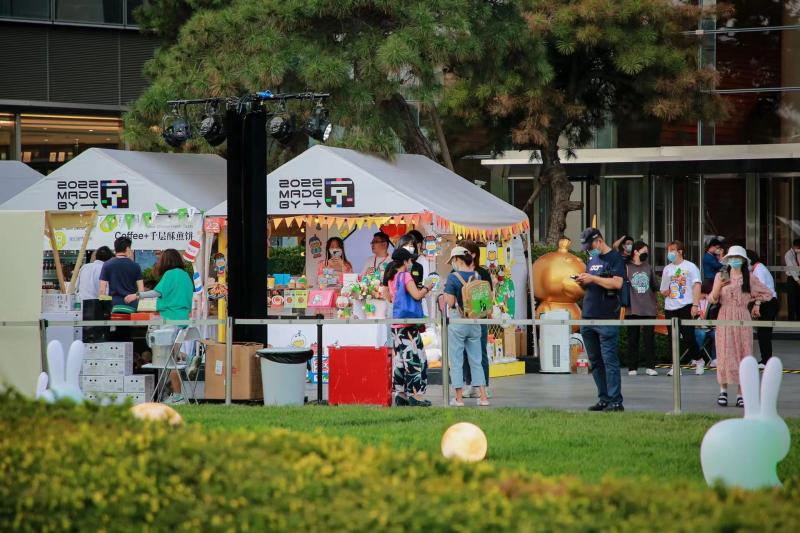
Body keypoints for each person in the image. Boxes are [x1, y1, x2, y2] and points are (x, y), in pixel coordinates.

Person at [125, 249, 194, 404]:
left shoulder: (170, 274)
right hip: (183, 320)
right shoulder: (185, 276)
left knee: (168, 360)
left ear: (166, 260)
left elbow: (156, 292)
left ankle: (178, 395)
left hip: (170, 321)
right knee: (173, 355)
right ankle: (188, 359)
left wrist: (137, 295)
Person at [708, 246, 773, 408]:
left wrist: (756, 303)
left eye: (738, 257)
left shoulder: (749, 277)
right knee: (724, 352)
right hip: (724, 317)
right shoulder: (721, 275)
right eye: (732, 257)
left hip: (743, 317)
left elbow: (767, 293)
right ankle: (723, 391)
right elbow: (713, 299)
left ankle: (740, 393)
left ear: (743, 260)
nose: (735, 260)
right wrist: (719, 285)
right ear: (727, 260)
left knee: (744, 353)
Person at [577, 228, 625, 412]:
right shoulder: (592, 260)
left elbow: (617, 283)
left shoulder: (615, 258)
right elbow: (593, 283)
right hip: (588, 315)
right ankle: (603, 398)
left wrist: (593, 278)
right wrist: (583, 281)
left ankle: (615, 401)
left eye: (590, 245)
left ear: (598, 240)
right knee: (595, 361)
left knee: (609, 361)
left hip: (606, 316)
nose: (589, 249)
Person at [385, 247, 434, 407]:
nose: (412, 263)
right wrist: (427, 287)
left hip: (396, 326)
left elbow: (388, 299)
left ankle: (401, 394)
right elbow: (417, 295)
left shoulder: (390, 277)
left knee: (401, 361)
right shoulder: (405, 276)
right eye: (410, 260)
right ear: (405, 261)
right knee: (416, 359)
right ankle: (415, 395)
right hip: (408, 326)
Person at [443, 246, 489, 407]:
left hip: (458, 322)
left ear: (456, 259)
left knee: (456, 360)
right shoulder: (477, 275)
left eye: (452, 260)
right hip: (474, 321)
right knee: (476, 360)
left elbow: (449, 303)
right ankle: (483, 397)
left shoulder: (452, 278)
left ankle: (459, 398)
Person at [660, 240, 704, 376]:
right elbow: (663, 290)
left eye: (673, 250)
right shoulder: (667, 269)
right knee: (672, 338)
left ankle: (699, 359)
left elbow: (697, 286)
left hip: (686, 305)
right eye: (669, 250)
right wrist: (666, 291)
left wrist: (695, 305)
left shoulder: (690, 267)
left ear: (680, 251)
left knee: (688, 336)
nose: (670, 253)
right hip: (670, 307)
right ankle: (675, 365)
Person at [459, 240, 493, 398]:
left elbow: (489, 296)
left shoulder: (482, 273)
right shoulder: (458, 273)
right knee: (465, 352)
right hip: (463, 318)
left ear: (473, 254)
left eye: (464, 252)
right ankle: (469, 383)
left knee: (480, 352)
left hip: (479, 318)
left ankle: (484, 384)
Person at [625, 241, 658, 376]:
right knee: (633, 338)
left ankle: (650, 366)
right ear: (636, 252)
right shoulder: (626, 267)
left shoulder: (648, 267)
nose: (646, 253)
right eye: (644, 251)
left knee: (649, 338)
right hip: (632, 308)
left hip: (648, 307)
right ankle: (632, 367)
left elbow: (654, 285)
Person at [747, 249, 778, 367]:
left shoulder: (759, 270)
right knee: (763, 333)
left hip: (767, 303)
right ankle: (766, 359)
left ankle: (766, 360)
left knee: (764, 333)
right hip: (767, 302)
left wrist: (757, 305)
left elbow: (761, 290)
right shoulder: (758, 269)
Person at [99, 237, 144, 309]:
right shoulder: (136, 266)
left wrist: (105, 307)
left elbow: (102, 291)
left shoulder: (107, 264)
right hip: (131, 305)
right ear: (127, 249)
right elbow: (141, 291)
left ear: (115, 248)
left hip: (113, 305)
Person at [783, 238, 800, 321]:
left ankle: (798, 318)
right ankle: (791, 319)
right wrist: (797, 280)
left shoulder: (799, 254)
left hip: (798, 278)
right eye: (798, 248)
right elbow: (792, 269)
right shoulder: (788, 254)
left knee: (798, 299)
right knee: (792, 299)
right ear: (794, 246)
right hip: (792, 279)